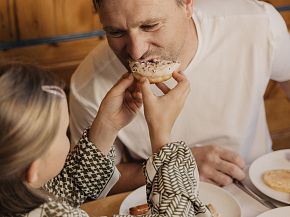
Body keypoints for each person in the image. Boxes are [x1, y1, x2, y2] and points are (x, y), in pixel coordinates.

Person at [69, 0, 290, 193]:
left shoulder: (258, 24)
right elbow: (92, 183)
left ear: (187, 4)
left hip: (260, 189)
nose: (136, 52)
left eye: (150, 25)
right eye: (116, 32)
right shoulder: (89, 85)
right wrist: (174, 165)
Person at [0, 62, 213, 216]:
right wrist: (162, 138)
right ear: (33, 169)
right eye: (64, 132)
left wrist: (107, 126)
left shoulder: (15, 195)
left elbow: (65, 188)